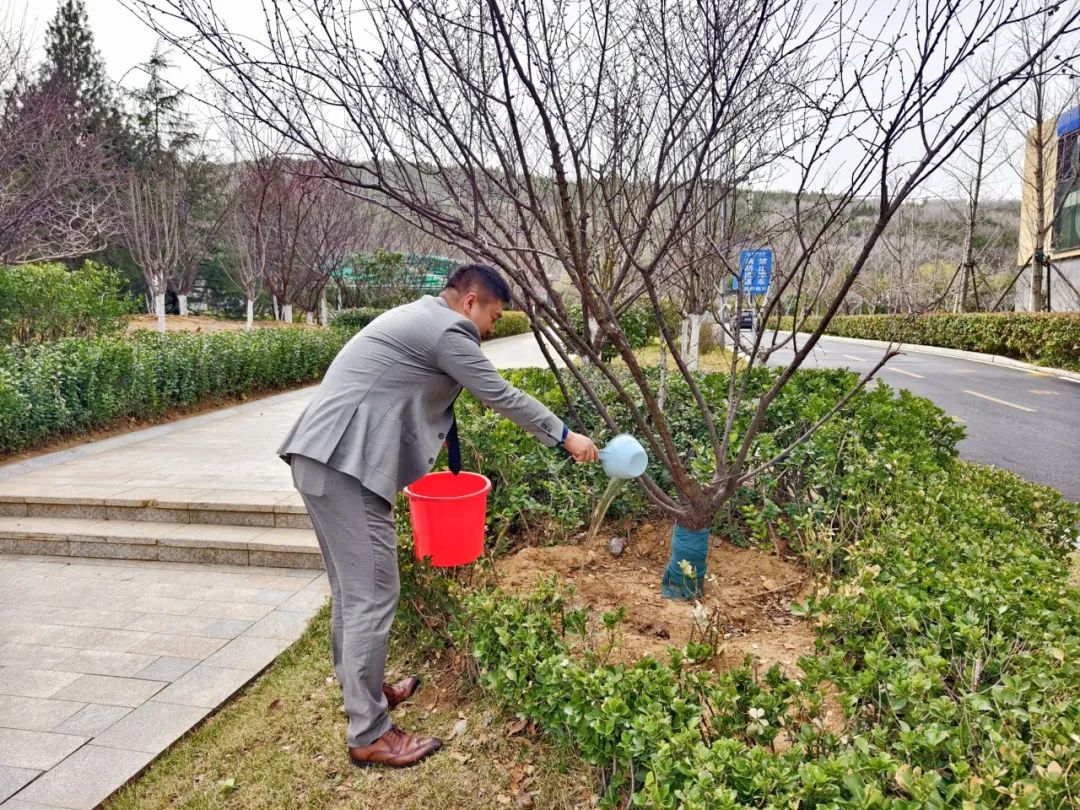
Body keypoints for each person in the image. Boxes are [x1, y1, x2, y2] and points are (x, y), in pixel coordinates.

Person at [277, 264, 599, 768]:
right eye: (492, 316)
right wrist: (566, 435)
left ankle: (364, 694)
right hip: (345, 466)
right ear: (471, 301)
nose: (491, 329)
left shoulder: (421, 318)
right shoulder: (448, 330)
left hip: (323, 459)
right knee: (373, 594)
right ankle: (369, 732)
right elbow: (500, 394)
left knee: (352, 593)